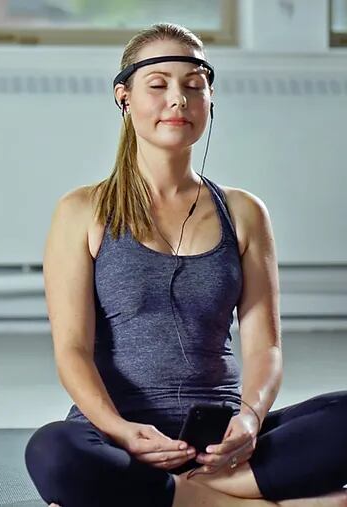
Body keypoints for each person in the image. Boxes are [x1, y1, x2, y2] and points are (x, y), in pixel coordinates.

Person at [24, 23, 347, 507]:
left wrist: (250, 419)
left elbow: (265, 346)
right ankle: (248, 501)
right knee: (53, 452)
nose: (178, 99)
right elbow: (72, 350)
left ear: (210, 100)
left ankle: (177, 495)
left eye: (194, 86)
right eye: (158, 85)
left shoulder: (244, 211)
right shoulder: (82, 211)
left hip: (223, 443)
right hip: (121, 438)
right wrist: (122, 431)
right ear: (124, 98)